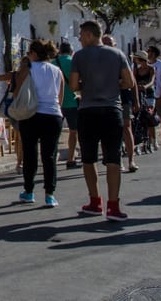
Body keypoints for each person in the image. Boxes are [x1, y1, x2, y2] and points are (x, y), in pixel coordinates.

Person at [69, 20, 135, 221]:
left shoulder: (79, 56)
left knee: (89, 159)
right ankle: (113, 206)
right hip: (112, 110)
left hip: (88, 110)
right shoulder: (117, 54)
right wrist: (112, 84)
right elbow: (129, 82)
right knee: (113, 159)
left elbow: (73, 86)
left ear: (89, 35)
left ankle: (95, 201)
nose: (79, 38)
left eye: (81, 35)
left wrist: (87, 85)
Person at [15, 40, 65, 207]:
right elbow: (60, 97)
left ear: (34, 54)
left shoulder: (28, 68)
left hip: (32, 114)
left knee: (30, 154)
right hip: (53, 115)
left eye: (29, 52)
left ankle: (29, 191)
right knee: (49, 156)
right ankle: (50, 194)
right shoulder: (57, 71)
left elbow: (18, 91)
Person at [108, 35, 139, 172]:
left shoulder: (121, 58)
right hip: (108, 99)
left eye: (109, 43)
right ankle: (118, 159)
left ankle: (131, 160)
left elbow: (132, 82)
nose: (107, 45)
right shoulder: (99, 61)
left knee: (127, 127)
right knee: (113, 131)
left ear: (115, 44)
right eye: (104, 43)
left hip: (124, 98)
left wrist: (136, 100)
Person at [0, 57, 29, 175]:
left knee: (19, 136)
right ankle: (21, 161)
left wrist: (10, 78)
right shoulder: (31, 75)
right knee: (23, 137)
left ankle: (19, 161)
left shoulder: (15, 75)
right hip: (26, 108)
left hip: (14, 108)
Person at [56, 42, 81, 169]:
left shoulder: (53, 63)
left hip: (56, 103)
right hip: (72, 101)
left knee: (54, 132)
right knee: (73, 131)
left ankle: (51, 157)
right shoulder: (74, 62)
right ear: (72, 52)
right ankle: (71, 159)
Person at [132, 50, 157, 151]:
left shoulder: (151, 69)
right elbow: (133, 81)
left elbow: (152, 81)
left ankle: (153, 140)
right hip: (139, 94)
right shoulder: (136, 70)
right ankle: (141, 139)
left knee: (149, 116)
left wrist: (145, 86)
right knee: (139, 117)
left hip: (149, 94)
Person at [147, 46, 161, 145]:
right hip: (150, 95)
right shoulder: (146, 65)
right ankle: (153, 138)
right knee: (150, 117)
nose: (148, 54)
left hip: (160, 94)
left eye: (150, 52)